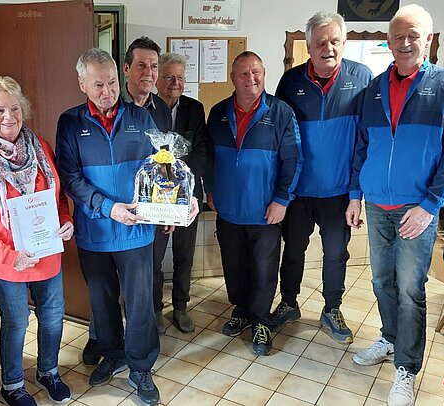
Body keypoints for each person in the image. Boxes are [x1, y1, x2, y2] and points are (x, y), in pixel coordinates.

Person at [346, 5, 444, 406]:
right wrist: (355, 194)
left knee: (411, 288)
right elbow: (362, 145)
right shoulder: (374, 89)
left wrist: (430, 205)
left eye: (413, 35)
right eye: (398, 36)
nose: (405, 42)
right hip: (377, 204)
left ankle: (406, 368)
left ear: (428, 39)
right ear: (389, 41)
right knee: (382, 281)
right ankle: (390, 337)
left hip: (417, 208)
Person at [0, 76, 73, 405]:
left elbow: (57, 198)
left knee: (53, 316)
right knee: (16, 321)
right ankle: (12, 385)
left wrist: (65, 221)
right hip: (6, 261)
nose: (8, 116)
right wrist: (9, 255)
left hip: (47, 253)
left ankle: (48, 371)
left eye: (14, 108)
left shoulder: (41, 148)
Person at [56, 47, 162, 405]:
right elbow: (70, 178)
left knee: (140, 303)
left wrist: (178, 199)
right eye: (98, 84)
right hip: (95, 231)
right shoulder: (70, 122)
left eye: (113, 82)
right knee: (102, 301)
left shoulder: (141, 118)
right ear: (82, 84)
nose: (108, 91)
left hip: (136, 230)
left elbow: (160, 167)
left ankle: (141, 366)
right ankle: (113, 355)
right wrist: (107, 207)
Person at [273, 11, 372, 343]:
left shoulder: (362, 77)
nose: (328, 48)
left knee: (336, 254)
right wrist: (281, 190)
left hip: (339, 191)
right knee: (293, 250)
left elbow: (365, 140)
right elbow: (281, 138)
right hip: (299, 190)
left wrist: (356, 194)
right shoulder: (291, 82)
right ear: (309, 46)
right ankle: (288, 303)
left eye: (334, 41)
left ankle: (332, 309)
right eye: (320, 43)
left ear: (344, 43)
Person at [205, 51, 303, 356]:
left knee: (263, 269)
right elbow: (208, 157)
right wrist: (210, 189)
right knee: (234, 266)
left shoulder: (281, 112)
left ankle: (261, 320)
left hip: (265, 211)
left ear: (264, 74)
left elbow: (294, 160)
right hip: (228, 210)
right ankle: (241, 310)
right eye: (244, 73)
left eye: (256, 72)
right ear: (233, 78)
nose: (251, 78)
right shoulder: (218, 113)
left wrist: (282, 199)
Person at [152, 52, 208, 333]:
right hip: (155, 197)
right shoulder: (145, 109)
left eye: (180, 78)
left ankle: (180, 306)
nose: (175, 83)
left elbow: (201, 151)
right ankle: (155, 308)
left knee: (184, 254)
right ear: (157, 79)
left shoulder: (195, 109)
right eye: (169, 77)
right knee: (154, 256)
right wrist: (163, 187)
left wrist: (182, 185)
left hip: (187, 195)